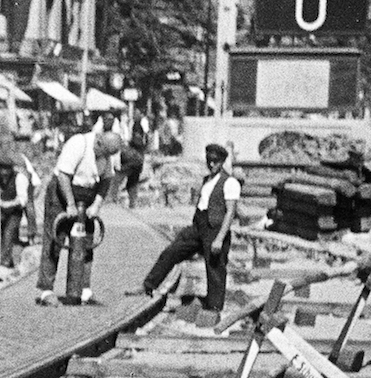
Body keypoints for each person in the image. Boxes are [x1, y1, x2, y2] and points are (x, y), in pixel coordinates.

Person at [140, 143, 240, 313]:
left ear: (222, 162)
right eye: (209, 160)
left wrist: (219, 239)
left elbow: (230, 212)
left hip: (215, 229)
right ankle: (149, 285)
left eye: (215, 161)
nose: (211, 164)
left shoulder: (230, 182)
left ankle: (214, 308)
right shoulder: (207, 179)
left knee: (215, 269)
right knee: (172, 252)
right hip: (199, 225)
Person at [36, 129, 123, 305]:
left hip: (86, 195)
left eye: (107, 155)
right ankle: (46, 290)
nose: (103, 156)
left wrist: (97, 204)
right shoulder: (78, 144)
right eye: (103, 152)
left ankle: (83, 289)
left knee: (86, 242)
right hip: (63, 192)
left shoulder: (107, 154)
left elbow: (107, 180)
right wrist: (69, 204)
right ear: (98, 141)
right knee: (54, 239)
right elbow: (63, 175)